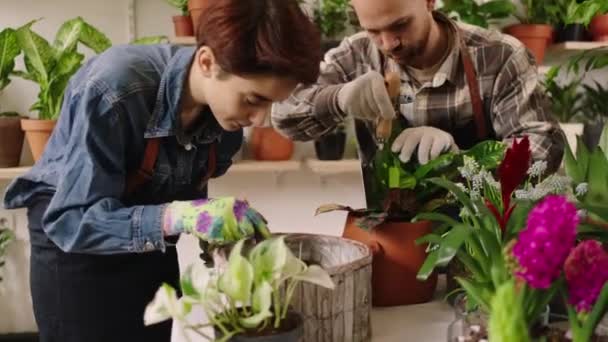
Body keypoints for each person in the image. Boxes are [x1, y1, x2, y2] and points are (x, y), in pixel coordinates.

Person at [2, 0, 321, 341]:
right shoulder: (115, 90)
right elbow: (70, 219)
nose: (260, 121)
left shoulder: (226, 122)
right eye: (254, 100)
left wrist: (219, 230)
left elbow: (185, 198)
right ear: (207, 61)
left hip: (149, 248)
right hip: (75, 249)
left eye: (272, 104)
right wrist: (176, 217)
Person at [272, 0, 565, 176]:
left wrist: (462, 158)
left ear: (429, 2)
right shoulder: (356, 56)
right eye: (374, 31)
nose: (388, 44)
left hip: (479, 238)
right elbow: (284, 114)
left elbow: (543, 148)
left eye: (399, 25)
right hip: (394, 236)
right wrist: (337, 99)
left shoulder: (499, 57)